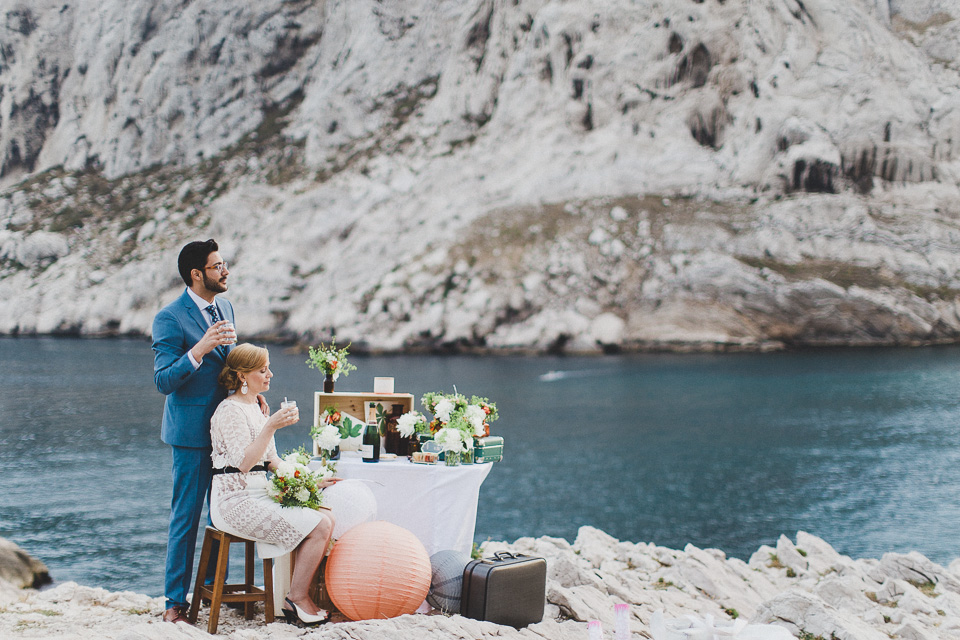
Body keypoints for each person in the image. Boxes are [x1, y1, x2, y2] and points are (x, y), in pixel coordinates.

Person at [152, 239, 260, 625]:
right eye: (217, 266)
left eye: (224, 264)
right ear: (197, 274)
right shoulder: (169, 317)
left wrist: (251, 396)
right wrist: (197, 350)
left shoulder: (226, 306)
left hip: (231, 430)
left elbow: (233, 369)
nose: (225, 270)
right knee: (187, 516)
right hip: (192, 435)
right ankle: (174, 602)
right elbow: (163, 381)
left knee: (223, 514)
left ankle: (214, 589)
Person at [210, 344, 339, 625]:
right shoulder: (230, 411)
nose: (270, 374)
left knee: (326, 515)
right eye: (262, 369)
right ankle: (296, 598)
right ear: (243, 376)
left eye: (268, 368)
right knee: (319, 525)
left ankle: (295, 595)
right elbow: (243, 464)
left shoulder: (257, 407)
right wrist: (270, 426)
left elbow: (272, 462)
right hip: (234, 500)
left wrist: (312, 479)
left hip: (258, 493)